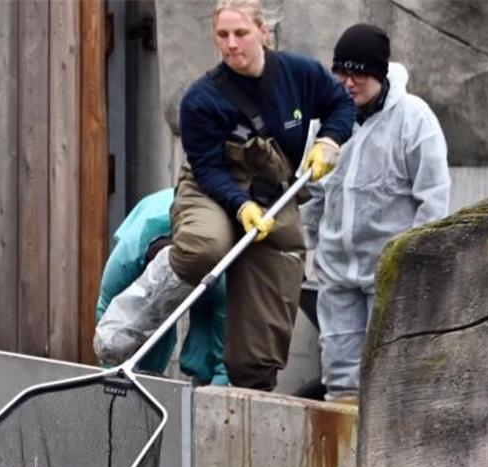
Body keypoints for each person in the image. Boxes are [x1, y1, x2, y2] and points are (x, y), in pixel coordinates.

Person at [95, 0, 355, 392]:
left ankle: (250, 390)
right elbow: (207, 168)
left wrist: (329, 141)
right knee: (205, 246)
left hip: (272, 188)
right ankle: (123, 328)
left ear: (263, 32)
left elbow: (341, 103)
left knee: (271, 299)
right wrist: (241, 206)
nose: (231, 44)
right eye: (222, 36)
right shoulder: (202, 98)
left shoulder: (299, 74)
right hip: (212, 186)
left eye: (241, 34)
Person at [302, 24, 450, 401]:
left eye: (359, 74)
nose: (348, 83)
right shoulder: (326, 119)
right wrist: (310, 244)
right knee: (340, 379)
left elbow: (433, 197)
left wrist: (411, 259)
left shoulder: (414, 119)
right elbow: (313, 190)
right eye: (341, 73)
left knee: (390, 374)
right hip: (336, 272)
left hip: (389, 271)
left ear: (379, 74)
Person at [96, 187, 229, 386]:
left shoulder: (218, 274)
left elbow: (223, 342)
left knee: (206, 346)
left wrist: (217, 393)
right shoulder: (125, 262)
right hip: (155, 213)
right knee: (150, 327)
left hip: (205, 233)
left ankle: (200, 383)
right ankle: (146, 382)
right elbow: (109, 319)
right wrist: (112, 375)